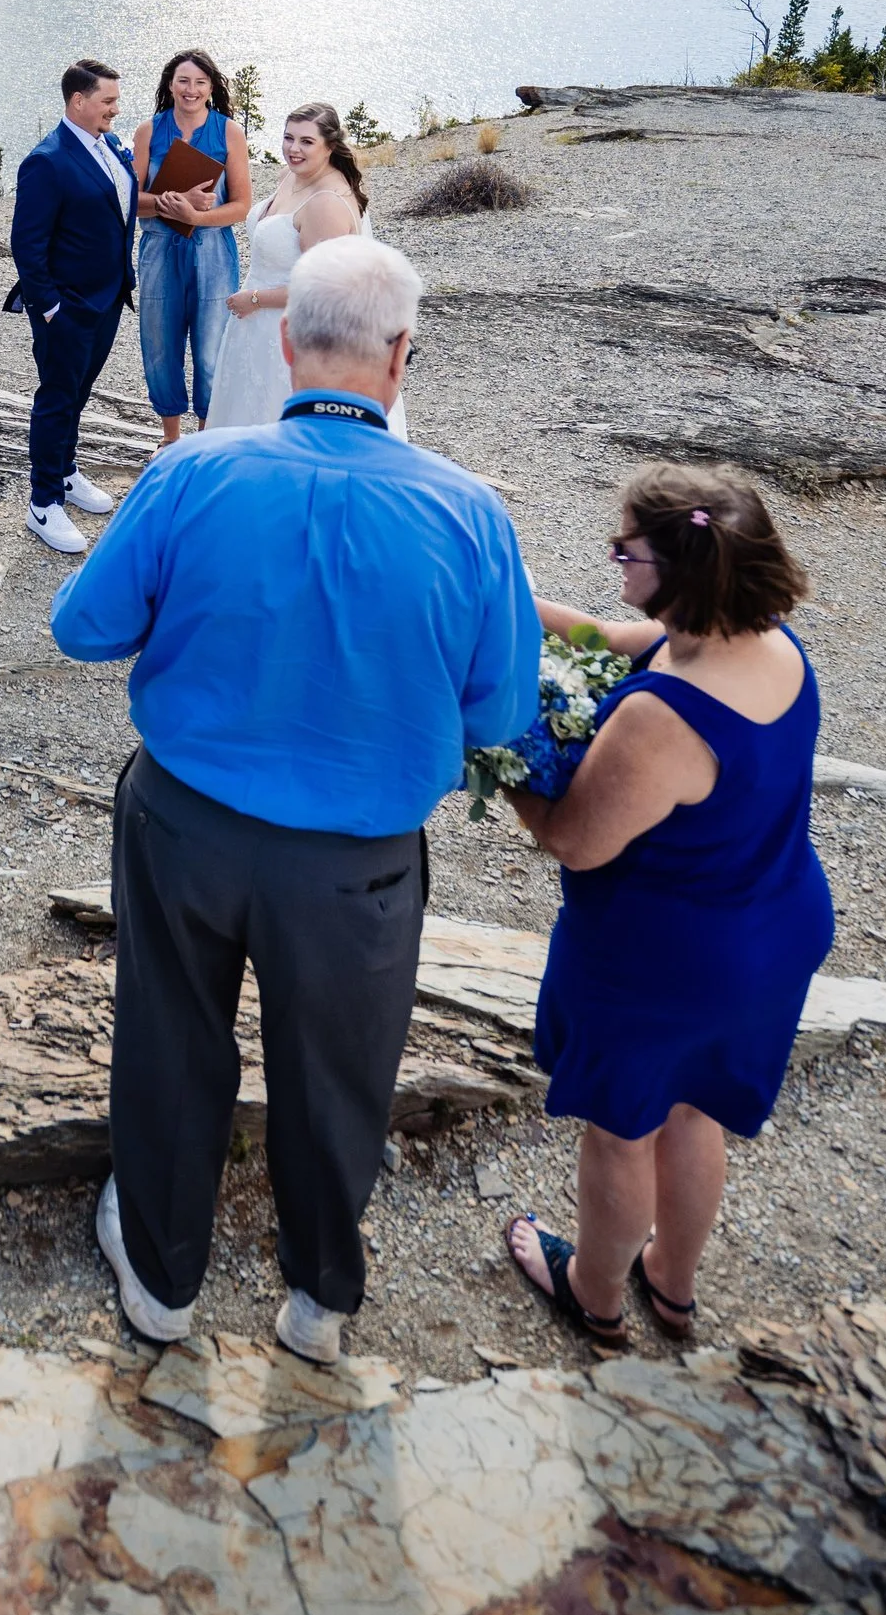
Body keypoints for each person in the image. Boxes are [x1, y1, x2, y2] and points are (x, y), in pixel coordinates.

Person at [52, 235, 539, 1363]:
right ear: (401, 355)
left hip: (184, 823)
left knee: (170, 1039)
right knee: (338, 1070)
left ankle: (163, 1283)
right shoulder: (470, 516)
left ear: (284, 341)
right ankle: (318, 1300)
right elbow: (499, 715)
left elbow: (83, 629)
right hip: (357, 862)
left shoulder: (191, 474)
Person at [502, 466, 834, 1349]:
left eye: (625, 551)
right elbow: (616, 638)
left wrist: (501, 748)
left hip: (664, 959)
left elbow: (575, 839)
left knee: (622, 1131)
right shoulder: (764, 641)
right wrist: (507, 603)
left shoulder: (661, 720)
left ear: (678, 569)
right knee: (694, 1112)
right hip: (772, 929)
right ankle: (673, 1289)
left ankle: (595, 1294)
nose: (614, 561)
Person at [5, 56, 139, 557]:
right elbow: (27, 244)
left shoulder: (108, 147)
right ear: (77, 101)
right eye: (107, 101)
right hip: (68, 307)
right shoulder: (47, 160)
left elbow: (118, 206)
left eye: (116, 100)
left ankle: (65, 472)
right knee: (58, 397)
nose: (115, 110)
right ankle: (43, 503)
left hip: (108, 298)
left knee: (80, 393)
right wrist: (50, 309)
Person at [209, 102, 370, 431]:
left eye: (306, 142)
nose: (293, 149)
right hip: (254, 329)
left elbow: (321, 289)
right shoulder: (290, 176)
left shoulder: (326, 203)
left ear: (330, 145)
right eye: (288, 138)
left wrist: (254, 299)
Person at [131, 49, 253, 442]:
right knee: (159, 343)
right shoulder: (148, 131)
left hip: (213, 251)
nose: (191, 89)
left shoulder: (229, 131)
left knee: (210, 347)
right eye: (183, 80)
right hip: (159, 249)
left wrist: (196, 217)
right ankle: (170, 438)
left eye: (200, 82)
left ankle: (203, 439)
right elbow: (130, 201)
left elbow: (241, 206)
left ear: (212, 88)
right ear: (170, 84)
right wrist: (170, 199)